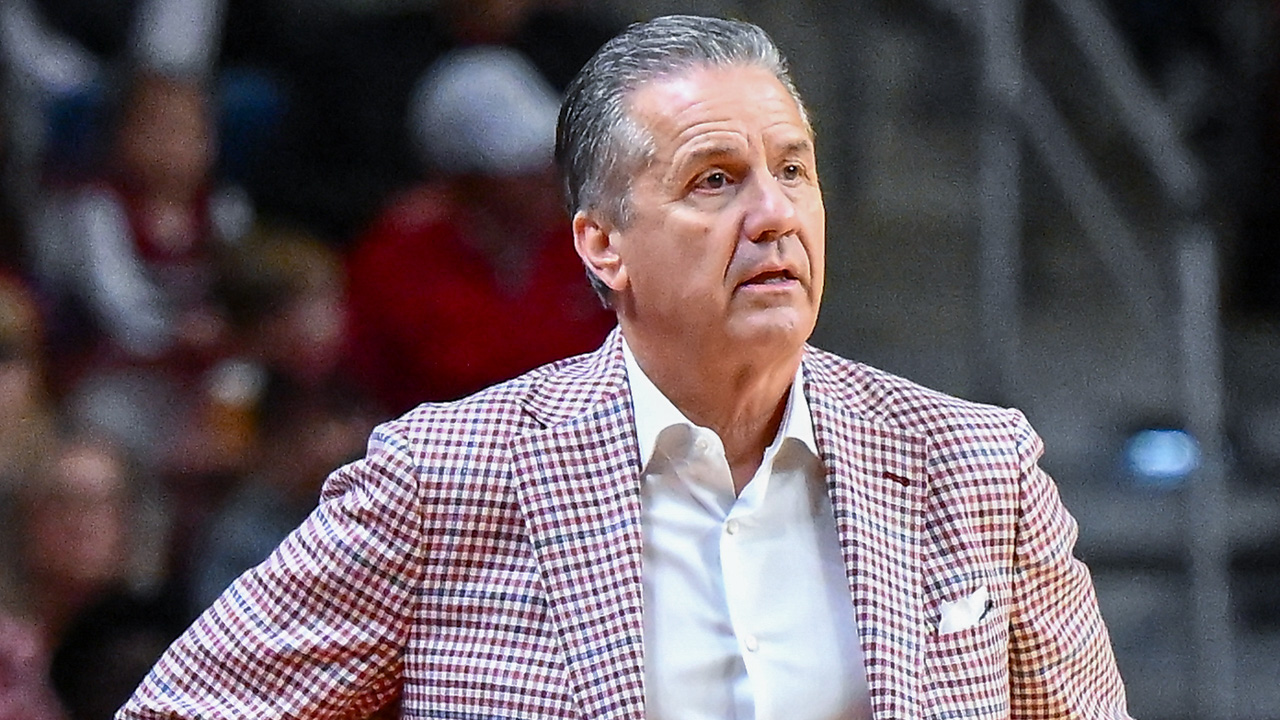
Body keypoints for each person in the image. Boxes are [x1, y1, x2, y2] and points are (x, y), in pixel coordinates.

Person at [118, 14, 1132, 719]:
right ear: (603, 245)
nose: (773, 214)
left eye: (793, 169)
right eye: (715, 180)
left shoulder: (977, 468)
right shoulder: (446, 477)